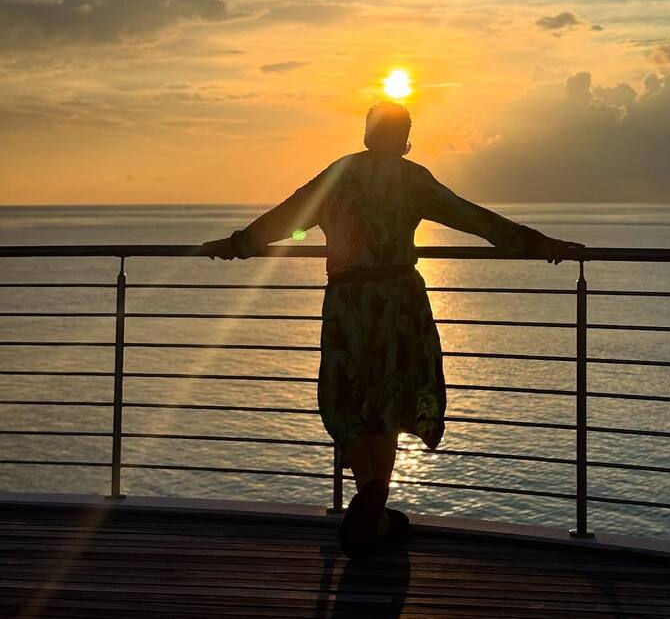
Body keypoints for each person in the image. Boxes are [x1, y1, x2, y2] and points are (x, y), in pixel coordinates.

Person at [201, 101, 583, 556]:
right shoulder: (412, 179)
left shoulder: (339, 174)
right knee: (387, 397)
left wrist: (236, 244)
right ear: (404, 136)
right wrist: (539, 243)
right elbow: (475, 219)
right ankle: (375, 506)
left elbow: (286, 218)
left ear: (366, 134)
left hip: (346, 302)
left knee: (352, 396)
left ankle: (372, 506)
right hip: (398, 302)